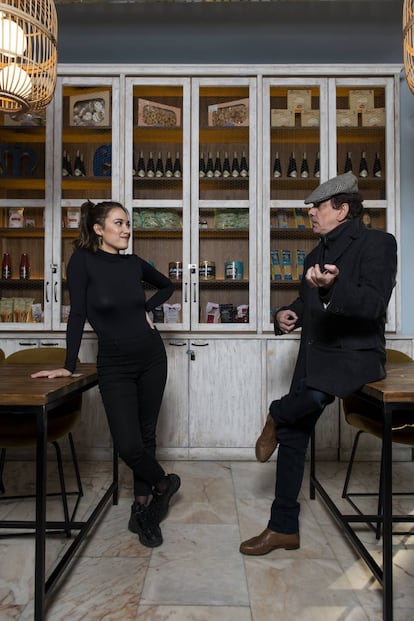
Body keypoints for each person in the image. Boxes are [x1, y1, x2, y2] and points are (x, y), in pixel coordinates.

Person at [239, 171, 397, 556]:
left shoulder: (378, 243)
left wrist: (334, 287)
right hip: (315, 354)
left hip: (355, 358)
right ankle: (283, 529)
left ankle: (276, 413)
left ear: (342, 209)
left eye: (318, 206)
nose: (310, 212)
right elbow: (308, 304)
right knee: (294, 436)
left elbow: (375, 305)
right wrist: (286, 314)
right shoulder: (314, 254)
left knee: (302, 402)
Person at [31, 200, 181, 549]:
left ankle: (143, 509)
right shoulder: (83, 262)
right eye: (119, 223)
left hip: (151, 356)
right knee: (128, 444)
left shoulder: (133, 265)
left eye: (128, 223)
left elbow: (167, 286)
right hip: (113, 361)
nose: (127, 229)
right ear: (99, 229)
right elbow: (78, 315)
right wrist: (68, 364)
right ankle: (165, 483)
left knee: (145, 435)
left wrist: (147, 308)